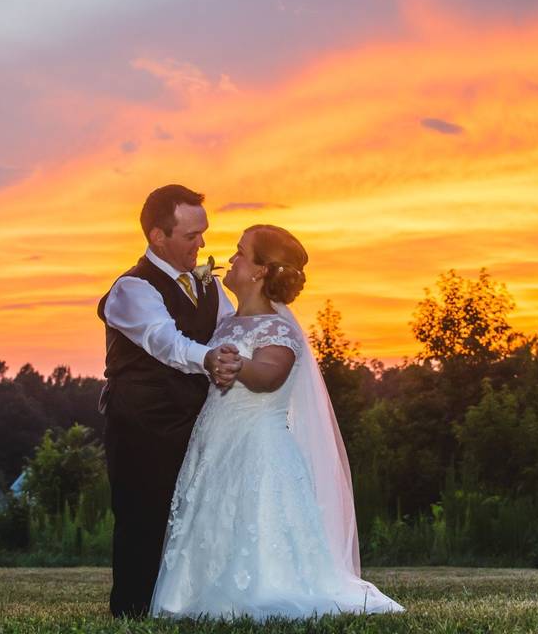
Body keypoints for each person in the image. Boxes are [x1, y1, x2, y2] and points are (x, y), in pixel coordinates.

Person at [150, 224, 404, 620]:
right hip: (216, 443)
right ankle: (197, 592)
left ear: (259, 271)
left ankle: (260, 589)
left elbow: (269, 376)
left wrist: (238, 365)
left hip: (259, 450)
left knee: (257, 521)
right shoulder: (227, 324)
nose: (230, 259)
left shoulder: (279, 328)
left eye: (240, 253)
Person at [98, 184, 242, 618]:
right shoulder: (131, 288)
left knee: (195, 516)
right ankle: (132, 611)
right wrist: (210, 359)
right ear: (158, 236)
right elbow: (164, 341)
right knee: (143, 516)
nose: (202, 244)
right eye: (191, 236)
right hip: (142, 423)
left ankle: (186, 605)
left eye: (203, 234)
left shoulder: (208, 287)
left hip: (196, 418)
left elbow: (229, 331)